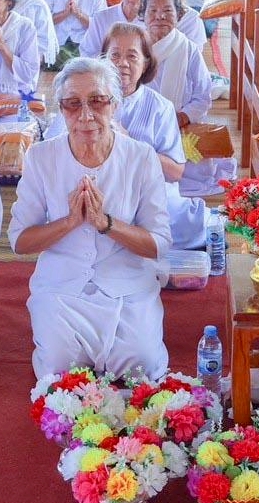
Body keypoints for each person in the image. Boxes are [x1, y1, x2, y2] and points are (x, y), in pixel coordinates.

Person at [9, 58, 170, 379]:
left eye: (97, 101)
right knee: (60, 370)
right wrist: (70, 221)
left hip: (127, 285)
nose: (85, 115)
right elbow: (19, 241)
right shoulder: (41, 157)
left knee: (140, 366)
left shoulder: (141, 157)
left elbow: (159, 245)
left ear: (115, 104)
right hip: (61, 286)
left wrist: (106, 223)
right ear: (61, 110)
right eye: (72, 104)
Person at [89, 23, 206, 249]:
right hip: (98, 191)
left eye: (132, 56)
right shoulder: (86, 100)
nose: (122, 63)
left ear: (146, 64)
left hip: (147, 192)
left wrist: (130, 143)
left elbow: (175, 172)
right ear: (102, 60)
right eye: (114, 55)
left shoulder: (160, 107)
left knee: (180, 224)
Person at [138, 0, 225, 195]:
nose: (160, 17)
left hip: (179, 126)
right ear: (142, 14)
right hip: (139, 126)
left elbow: (203, 95)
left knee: (193, 176)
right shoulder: (134, 47)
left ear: (179, 14)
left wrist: (182, 117)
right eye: (153, 11)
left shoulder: (188, 49)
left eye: (167, 11)